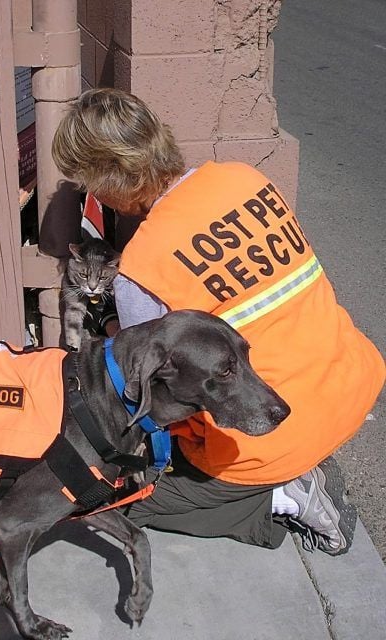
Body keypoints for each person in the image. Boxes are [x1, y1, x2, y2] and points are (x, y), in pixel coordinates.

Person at [51, 88, 386, 555]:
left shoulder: (144, 269)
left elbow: (145, 394)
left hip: (268, 433)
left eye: (88, 180)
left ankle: (278, 497)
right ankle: (294, 465)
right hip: (351, 382)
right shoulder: (244, 180)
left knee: (101, 502)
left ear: (111, 176)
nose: (92, 193)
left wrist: (108, 327)